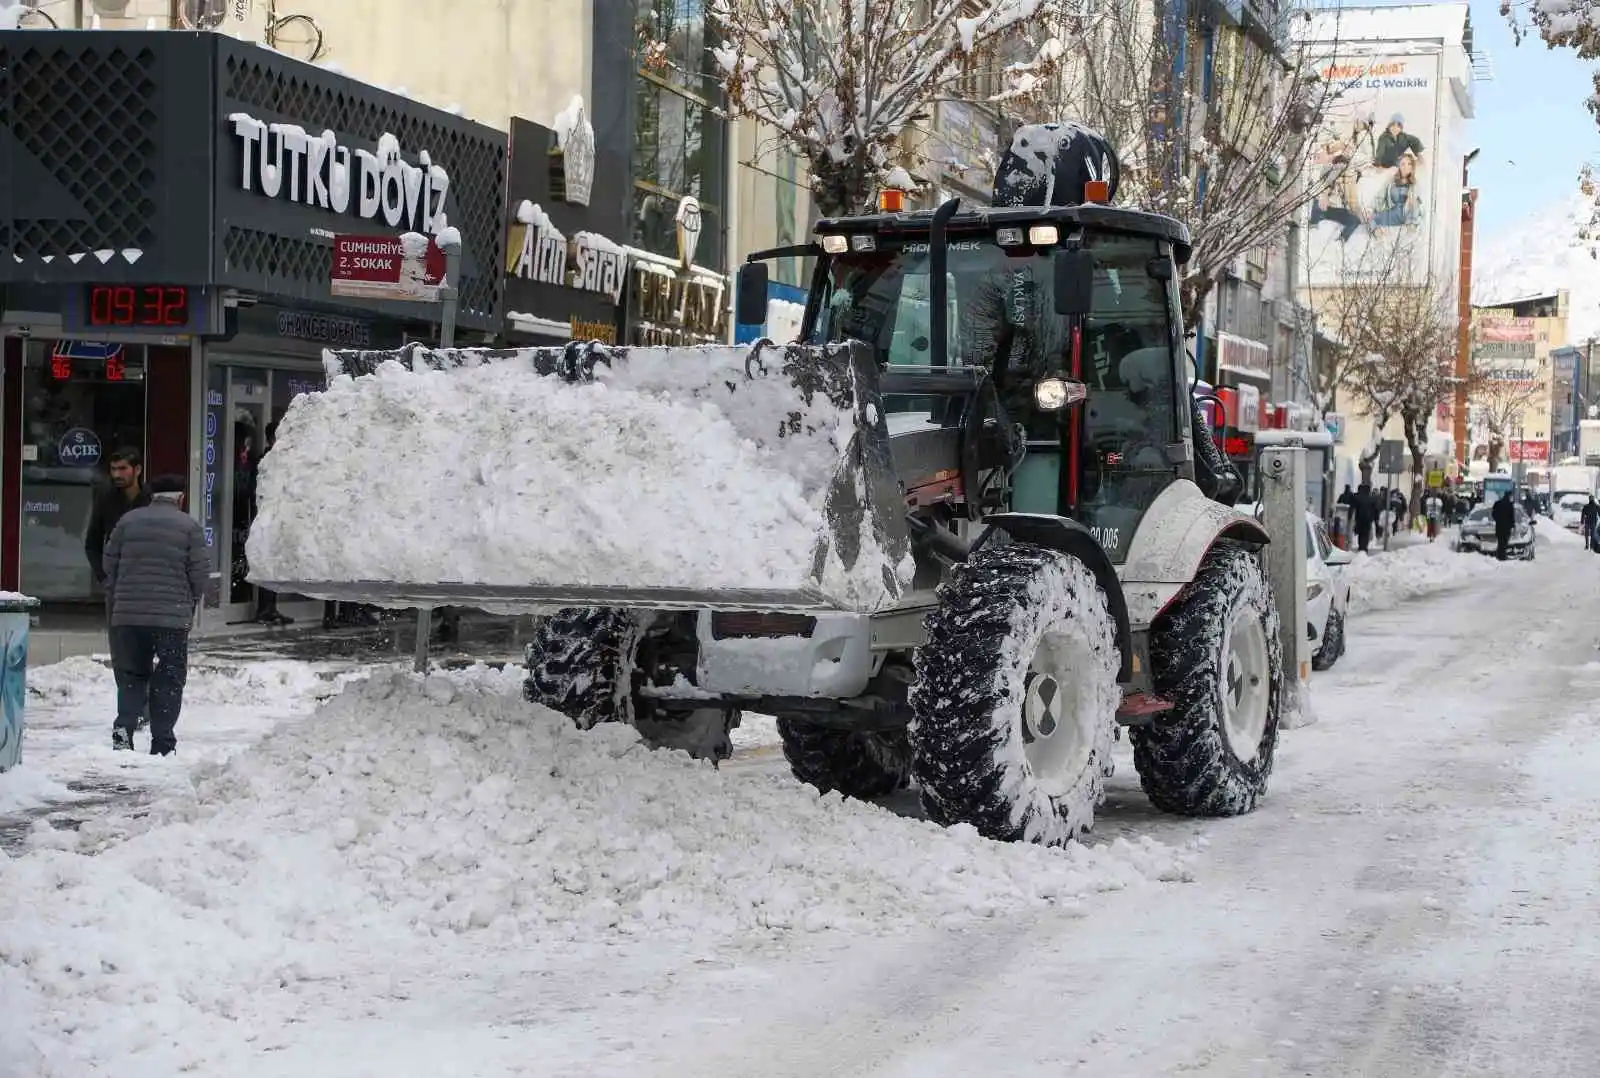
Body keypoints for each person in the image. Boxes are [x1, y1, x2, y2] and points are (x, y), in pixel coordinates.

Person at [103, 474, 208, 755]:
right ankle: (162, 742)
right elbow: (199, 575)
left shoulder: (127, 522)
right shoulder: (190, 527)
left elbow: (108, 564)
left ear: (152, 497)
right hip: (171, 618)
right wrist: (190, 603)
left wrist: (120, 597)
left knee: (132, 675)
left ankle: (123, 730)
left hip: (128, 616)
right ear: (181, 498)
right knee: (170, 677)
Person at [1491, 491, 1516, 561]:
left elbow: (1493, 514)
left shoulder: (1497, 503)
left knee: (1500, 542)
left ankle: (1500, 555)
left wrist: (1498, 520)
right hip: (1507, 527)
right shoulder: (1510, 505)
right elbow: (1512, 516)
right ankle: (1502, 556)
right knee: (1504, 542)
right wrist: (1512, 525)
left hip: (1499, 526)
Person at [1353, 482, 1377, 553]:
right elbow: (1375, 509)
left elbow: (1356, 509)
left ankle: (1361, 547)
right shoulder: (1371, 499)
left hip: (1359, 519)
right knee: (1366, 534)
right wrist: (1373, 518)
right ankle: (1364, 548)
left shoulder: (1358, 498)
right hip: (1368, 520)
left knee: (1360, 534)